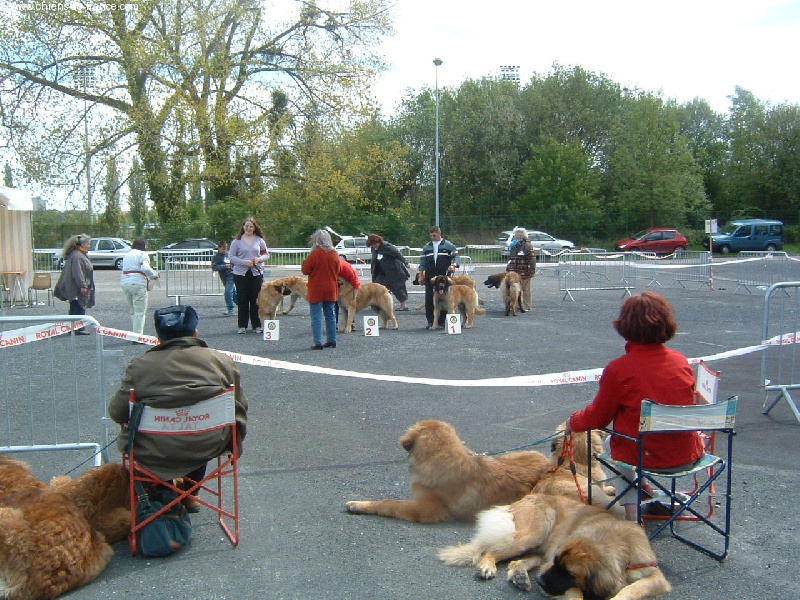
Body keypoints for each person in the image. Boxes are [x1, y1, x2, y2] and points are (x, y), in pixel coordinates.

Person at [563, 291, 703, 522]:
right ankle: (646, 491)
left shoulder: (619, 369)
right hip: (687, 454)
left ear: (625, 326)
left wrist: (572, 421)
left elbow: (597, 418)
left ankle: (632, 518)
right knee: (627, 442)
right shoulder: (680, 361)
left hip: (644, 455)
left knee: (613, 444)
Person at [108, 305, 248, 512]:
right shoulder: (221, 361)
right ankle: (190, 494)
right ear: (195, 333)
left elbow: (117, 412)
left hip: (154, 448)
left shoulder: (140, 366)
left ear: (158, 338)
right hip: (208, 443)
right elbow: (240, 405)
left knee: (163, 437)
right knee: (197, 432)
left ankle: (155, 494)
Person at [301, 229, 340, 349]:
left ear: (316, 240)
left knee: (316, 316)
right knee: (330, 315)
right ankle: (332, 340)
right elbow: (338, 270)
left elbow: (305, 270)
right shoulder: (334, 254)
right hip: (331, 287)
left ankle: (318, 342)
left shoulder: (315, 254)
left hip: (316, 288)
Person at [229, 217, 269, 334]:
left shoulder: (259, 240)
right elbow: (231, 257)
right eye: (246, 226)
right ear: (243, 227)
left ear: (254, 228)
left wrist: (259, 259)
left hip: (256, 273)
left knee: (256, 299)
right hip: (240, 274)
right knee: (243, 299)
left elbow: (266, 254)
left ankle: (257, 325)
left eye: (251, 226)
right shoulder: (237, 241)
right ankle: (242, 325)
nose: (248, 228)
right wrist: (244, 262)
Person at [415, 226, 459, 329]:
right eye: (430, 236)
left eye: (434, 235)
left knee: (445, 299)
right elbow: (422, 262)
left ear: (439, 234)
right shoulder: (426, 247)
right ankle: (430, 322)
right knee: (429, 299)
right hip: (431, 277)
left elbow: (457, 256)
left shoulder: (449, 245)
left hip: (444, 277)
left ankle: (442, 322)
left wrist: (454, 265)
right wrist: (421, 275)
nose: (432, 237)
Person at [54, 233, 95, 335]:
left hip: (75, 286)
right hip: (76, 288)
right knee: (79, 306)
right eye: (88, 244)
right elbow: (78, 272)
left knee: (75, 306)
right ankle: (78, 327)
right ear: (82, 245)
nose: (89, 246)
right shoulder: (77, 256)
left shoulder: (76, 255)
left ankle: (73, 327)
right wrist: (82, 285)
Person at [120, 237, 159, 335]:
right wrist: (154, 275)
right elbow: (145, 267)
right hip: (137, 282)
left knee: (132, 310)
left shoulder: (127, 255)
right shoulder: (142, 254)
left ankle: (135, 333)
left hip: (125, 282)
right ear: (142, 246)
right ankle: (138, 335)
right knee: (140, 311)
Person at [367, 233, 411, 311]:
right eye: (372, 244)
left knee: (398, 287)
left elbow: (398, 254)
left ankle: (403, 305)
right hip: (380, 271)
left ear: (379, 241)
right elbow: (374, 259)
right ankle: (379, 304)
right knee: (377, 287)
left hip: (393, 271)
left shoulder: (386, 246)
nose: (374, 246)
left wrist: (406, 263)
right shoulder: (373, 248)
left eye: (376, 244)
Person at [505, 227, 536, 311]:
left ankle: (526, 305)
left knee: (525, 289)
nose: (515, 236)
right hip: (513, 271)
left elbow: (532, 258)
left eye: (516, 234)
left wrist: (532, 270)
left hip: (524, 271)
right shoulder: (514, 245)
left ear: (521, 235)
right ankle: (516, 305)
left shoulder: (527, 245)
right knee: (515, 289)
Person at [211, 240, 238, 316]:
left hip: (231, 275)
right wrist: (224, 266)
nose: (225, 250)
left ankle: (230, 309)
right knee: (233, 294)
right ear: (219, 248)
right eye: (223, 248)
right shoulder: (215, 257)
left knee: (228, 292)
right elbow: (214, 267)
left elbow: (235, 263)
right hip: (224, 277)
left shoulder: (229, 255)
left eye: (226, 248)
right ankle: (245, 307)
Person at [335, 257, 360, 330]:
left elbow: (356, 284)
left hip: (349, 286)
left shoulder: (347, 270)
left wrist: (355, 298)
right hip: (337, 288)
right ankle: (335, 324)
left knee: (350, 305)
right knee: (336, 305)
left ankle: (350, 325)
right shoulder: (330, 268)